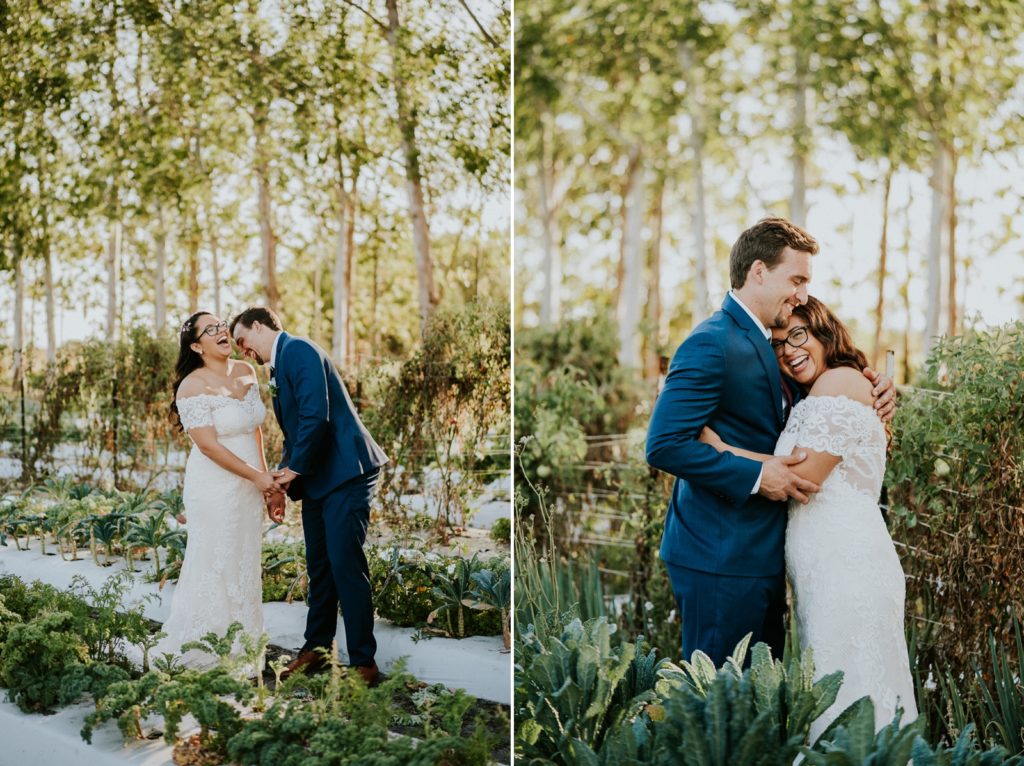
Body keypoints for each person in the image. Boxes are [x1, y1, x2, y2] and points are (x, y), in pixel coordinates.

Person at [645, 217, 895, 668]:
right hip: (719, 555)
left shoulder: (770, 345)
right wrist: (759, 475)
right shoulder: (711, 342)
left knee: (758, 702)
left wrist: (872, 390)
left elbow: (814, 414)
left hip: (765, 556)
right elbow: (663, 444)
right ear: (759, 271)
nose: (801, 293)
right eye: (796, 279)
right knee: (723, 704)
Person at [699, 296, 917, 739]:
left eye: (798, 334)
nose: (789, 351)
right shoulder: (815, 391)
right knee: (839, 697)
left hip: (849, 569)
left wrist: (721, 450)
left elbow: (804, 477)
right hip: (824, 573)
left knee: (854, 698)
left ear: (824, 331)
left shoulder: (839, 381)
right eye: (777, 344)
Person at [229, 307, 389, 685]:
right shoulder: (280, 365)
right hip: (319, 479)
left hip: (348, 473)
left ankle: (364, 663)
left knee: (345, 565)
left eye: (242, 340)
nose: (242, 350)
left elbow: (317, 417)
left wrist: (293, 472)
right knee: (319, 567)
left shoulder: (299, 350)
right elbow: (296, 433)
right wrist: (285, 486)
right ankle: (316, 650)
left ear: (259, 326)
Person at [159, 311, 281, 674]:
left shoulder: (247, 372)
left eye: (221, 325)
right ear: (197, 346)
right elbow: (209, 446)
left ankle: (243, 645)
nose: (221, 331)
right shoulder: (192, 386)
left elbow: (256, 432)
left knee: (243, 560)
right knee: (215, 562)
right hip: (213, 488)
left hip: (248, 486)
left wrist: (266, 483)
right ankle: (204, 649)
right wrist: (255, 477)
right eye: (209, 330)